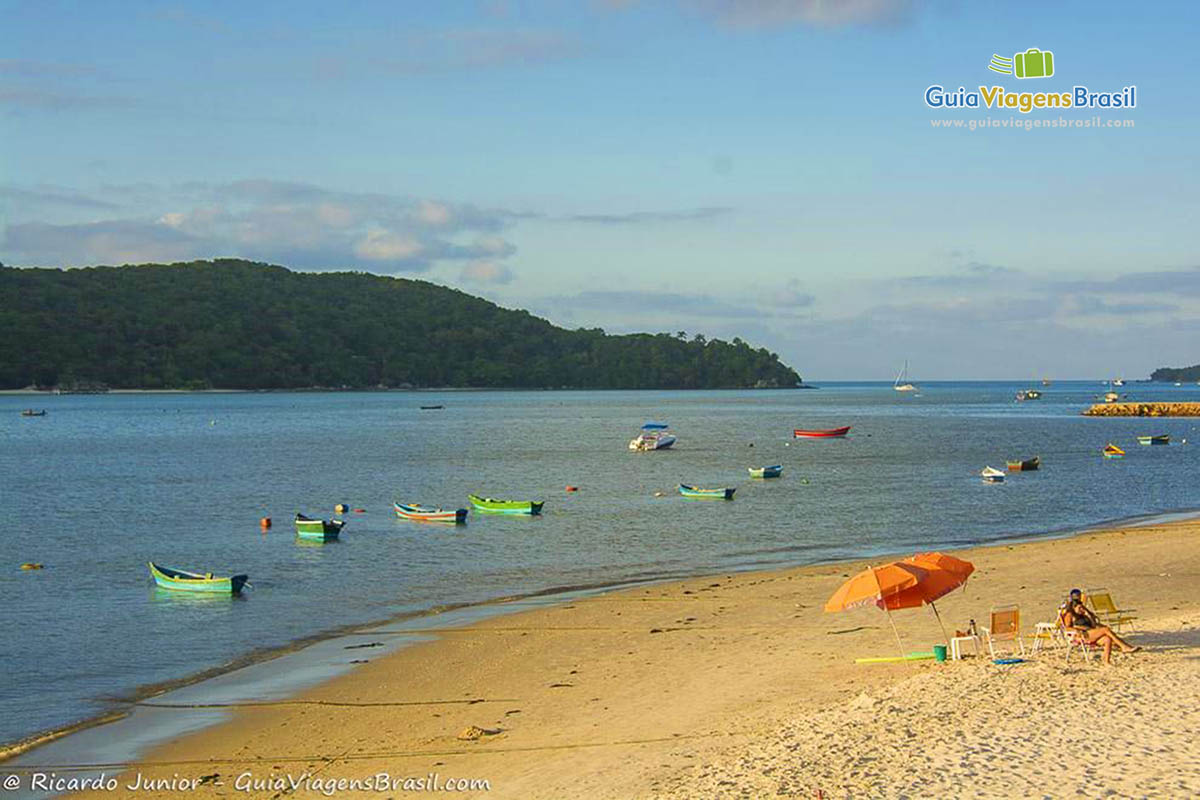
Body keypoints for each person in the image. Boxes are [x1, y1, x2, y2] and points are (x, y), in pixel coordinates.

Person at [1060, 588, 1140, 664]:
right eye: (1079, 608)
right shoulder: (1069, 614)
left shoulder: (1083, 612)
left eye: (1082, 608)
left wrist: (1088, 615)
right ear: (1073, 608)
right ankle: (1124, 646)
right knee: (1106, 629)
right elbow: (1067, 628)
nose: (1082, 609)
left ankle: (1106, 661)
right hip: (1081, 635)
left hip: (1091, 633)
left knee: (1107, 639)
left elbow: (1094, 624)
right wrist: (1076, 630)